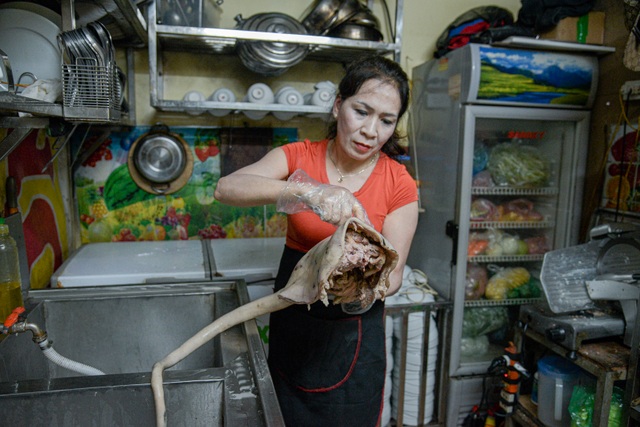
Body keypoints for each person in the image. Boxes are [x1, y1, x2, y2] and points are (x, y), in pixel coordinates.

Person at [214, 54, 419, 427]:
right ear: (339, 105)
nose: (371, 131)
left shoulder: (398, 182)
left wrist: (360, 275)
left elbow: (395, 276)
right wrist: (310, 193)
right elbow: (227, 188)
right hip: (296, 326)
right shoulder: (299, 156)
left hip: (354, 337)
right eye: (361, 111)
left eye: (386, 120)